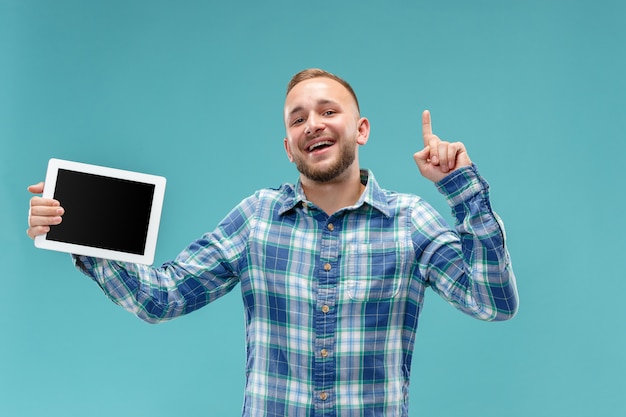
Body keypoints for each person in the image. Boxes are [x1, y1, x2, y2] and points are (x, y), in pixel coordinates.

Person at [27, 68, 518, 417]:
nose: (314, 124)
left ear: (361, 130)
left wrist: (461, 187)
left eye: (329, 111)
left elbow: (493, 302)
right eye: (298, 118)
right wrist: (80, 232)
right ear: (289, 146)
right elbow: (161, 297)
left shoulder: (410, 221)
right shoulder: (256, 218)